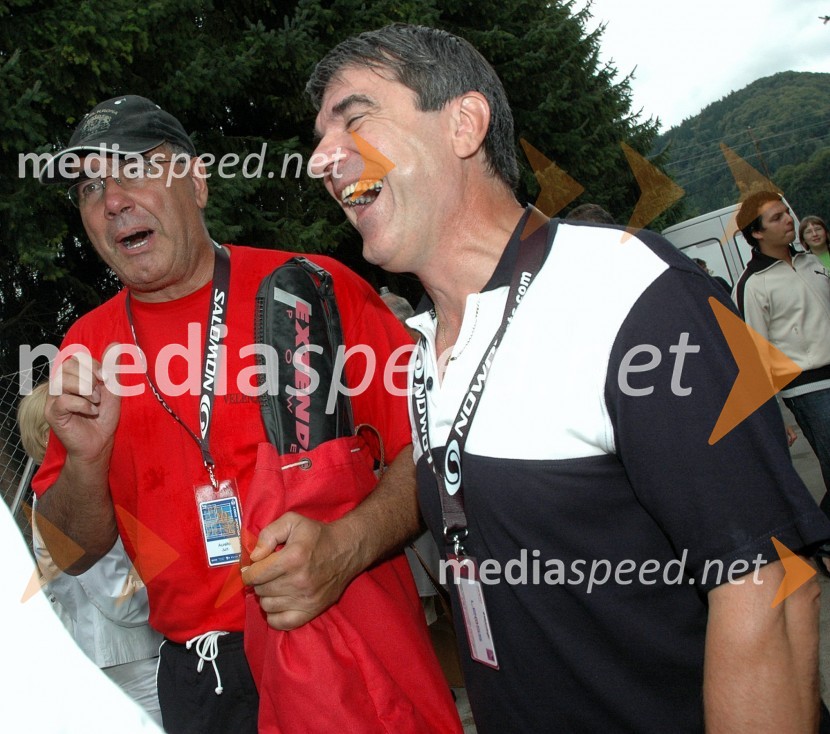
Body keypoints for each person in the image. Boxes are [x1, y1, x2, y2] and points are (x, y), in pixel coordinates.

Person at [307, 24, 830, 733]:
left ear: (463, 124)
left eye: (355, 120)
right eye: (319, 137)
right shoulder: (427, 350)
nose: (320, 160)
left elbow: (771, 590)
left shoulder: (627, 289)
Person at [33, 95, 461, 733]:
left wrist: (346, 546)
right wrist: (87, 460)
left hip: (338, 649)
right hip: (198, 685)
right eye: (90, 184)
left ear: (198, 181)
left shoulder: (312, 289)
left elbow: (434, 449)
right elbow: (70, 551)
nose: (113, 199)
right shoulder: (86, 349)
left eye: (135, 170)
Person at [18, 383, 162, 726]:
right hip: (130, 651)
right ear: (51, 435)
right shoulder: (78, 504)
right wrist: (164, 603)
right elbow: (113, 591)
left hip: (98, 648)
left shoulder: (48, 500)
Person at [0, 500, 163, 733]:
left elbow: (56, 581)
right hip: (137, 649)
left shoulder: (44, 495)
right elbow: (117, 598)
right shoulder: (84, 492)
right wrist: (166, 604)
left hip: (91, 643)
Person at [735, 192, 830, 516]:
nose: (789, 219)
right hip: (809, 387)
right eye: (776, 217)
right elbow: (752, 354)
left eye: (786, 212)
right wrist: (772, 416)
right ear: (757, 232)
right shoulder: (753, 284)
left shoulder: (811, 261)